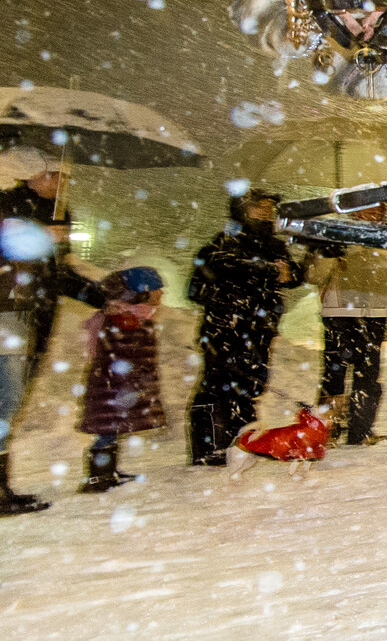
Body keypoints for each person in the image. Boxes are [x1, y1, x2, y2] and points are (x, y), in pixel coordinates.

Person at [1, 147, 100, 514]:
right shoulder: (7, 206)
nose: (62, 185)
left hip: (35, 318)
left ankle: (1, 486)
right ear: (31, 174)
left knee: (9, 406)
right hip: (6, 314)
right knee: (4, 401)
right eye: (56, 176)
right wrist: (40, 237)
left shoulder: (58, 216)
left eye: (66, 178)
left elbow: (57, 275)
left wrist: (105, 297)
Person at [187, 189, 302, 466]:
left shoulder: (274, 246)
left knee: (250, 386)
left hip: (259, 329)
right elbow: (218, 272)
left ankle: (242, 445)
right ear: (242, 211)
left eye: (269, 208)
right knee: (217, 388)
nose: (265, 212)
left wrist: (289, 274)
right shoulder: (226, 241)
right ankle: (210, 447)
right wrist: (268, 272)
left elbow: (294, 274)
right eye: (258, 208)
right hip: (226, 329)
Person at [304, 205, 387, 446]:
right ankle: (326, 430)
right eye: (369, 210)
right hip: (339, 313)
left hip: (374, 314)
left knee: (369, 375)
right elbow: (313, 277)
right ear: (356, 212)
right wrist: (326, 253)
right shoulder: (337, 234)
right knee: (334, 374)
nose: (375, 215)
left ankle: (360, 430)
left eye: (380, 210)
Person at [76, 267, 166, 494]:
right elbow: (125, 354)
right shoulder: (127, 319)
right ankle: (98, 477)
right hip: (114, 387)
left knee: (112, 429)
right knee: (107, 430)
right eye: (157, 289)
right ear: (143, 291)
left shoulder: (134, 316)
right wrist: (133, 379)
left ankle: (107, 471)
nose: (161, 294)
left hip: (116, 386)